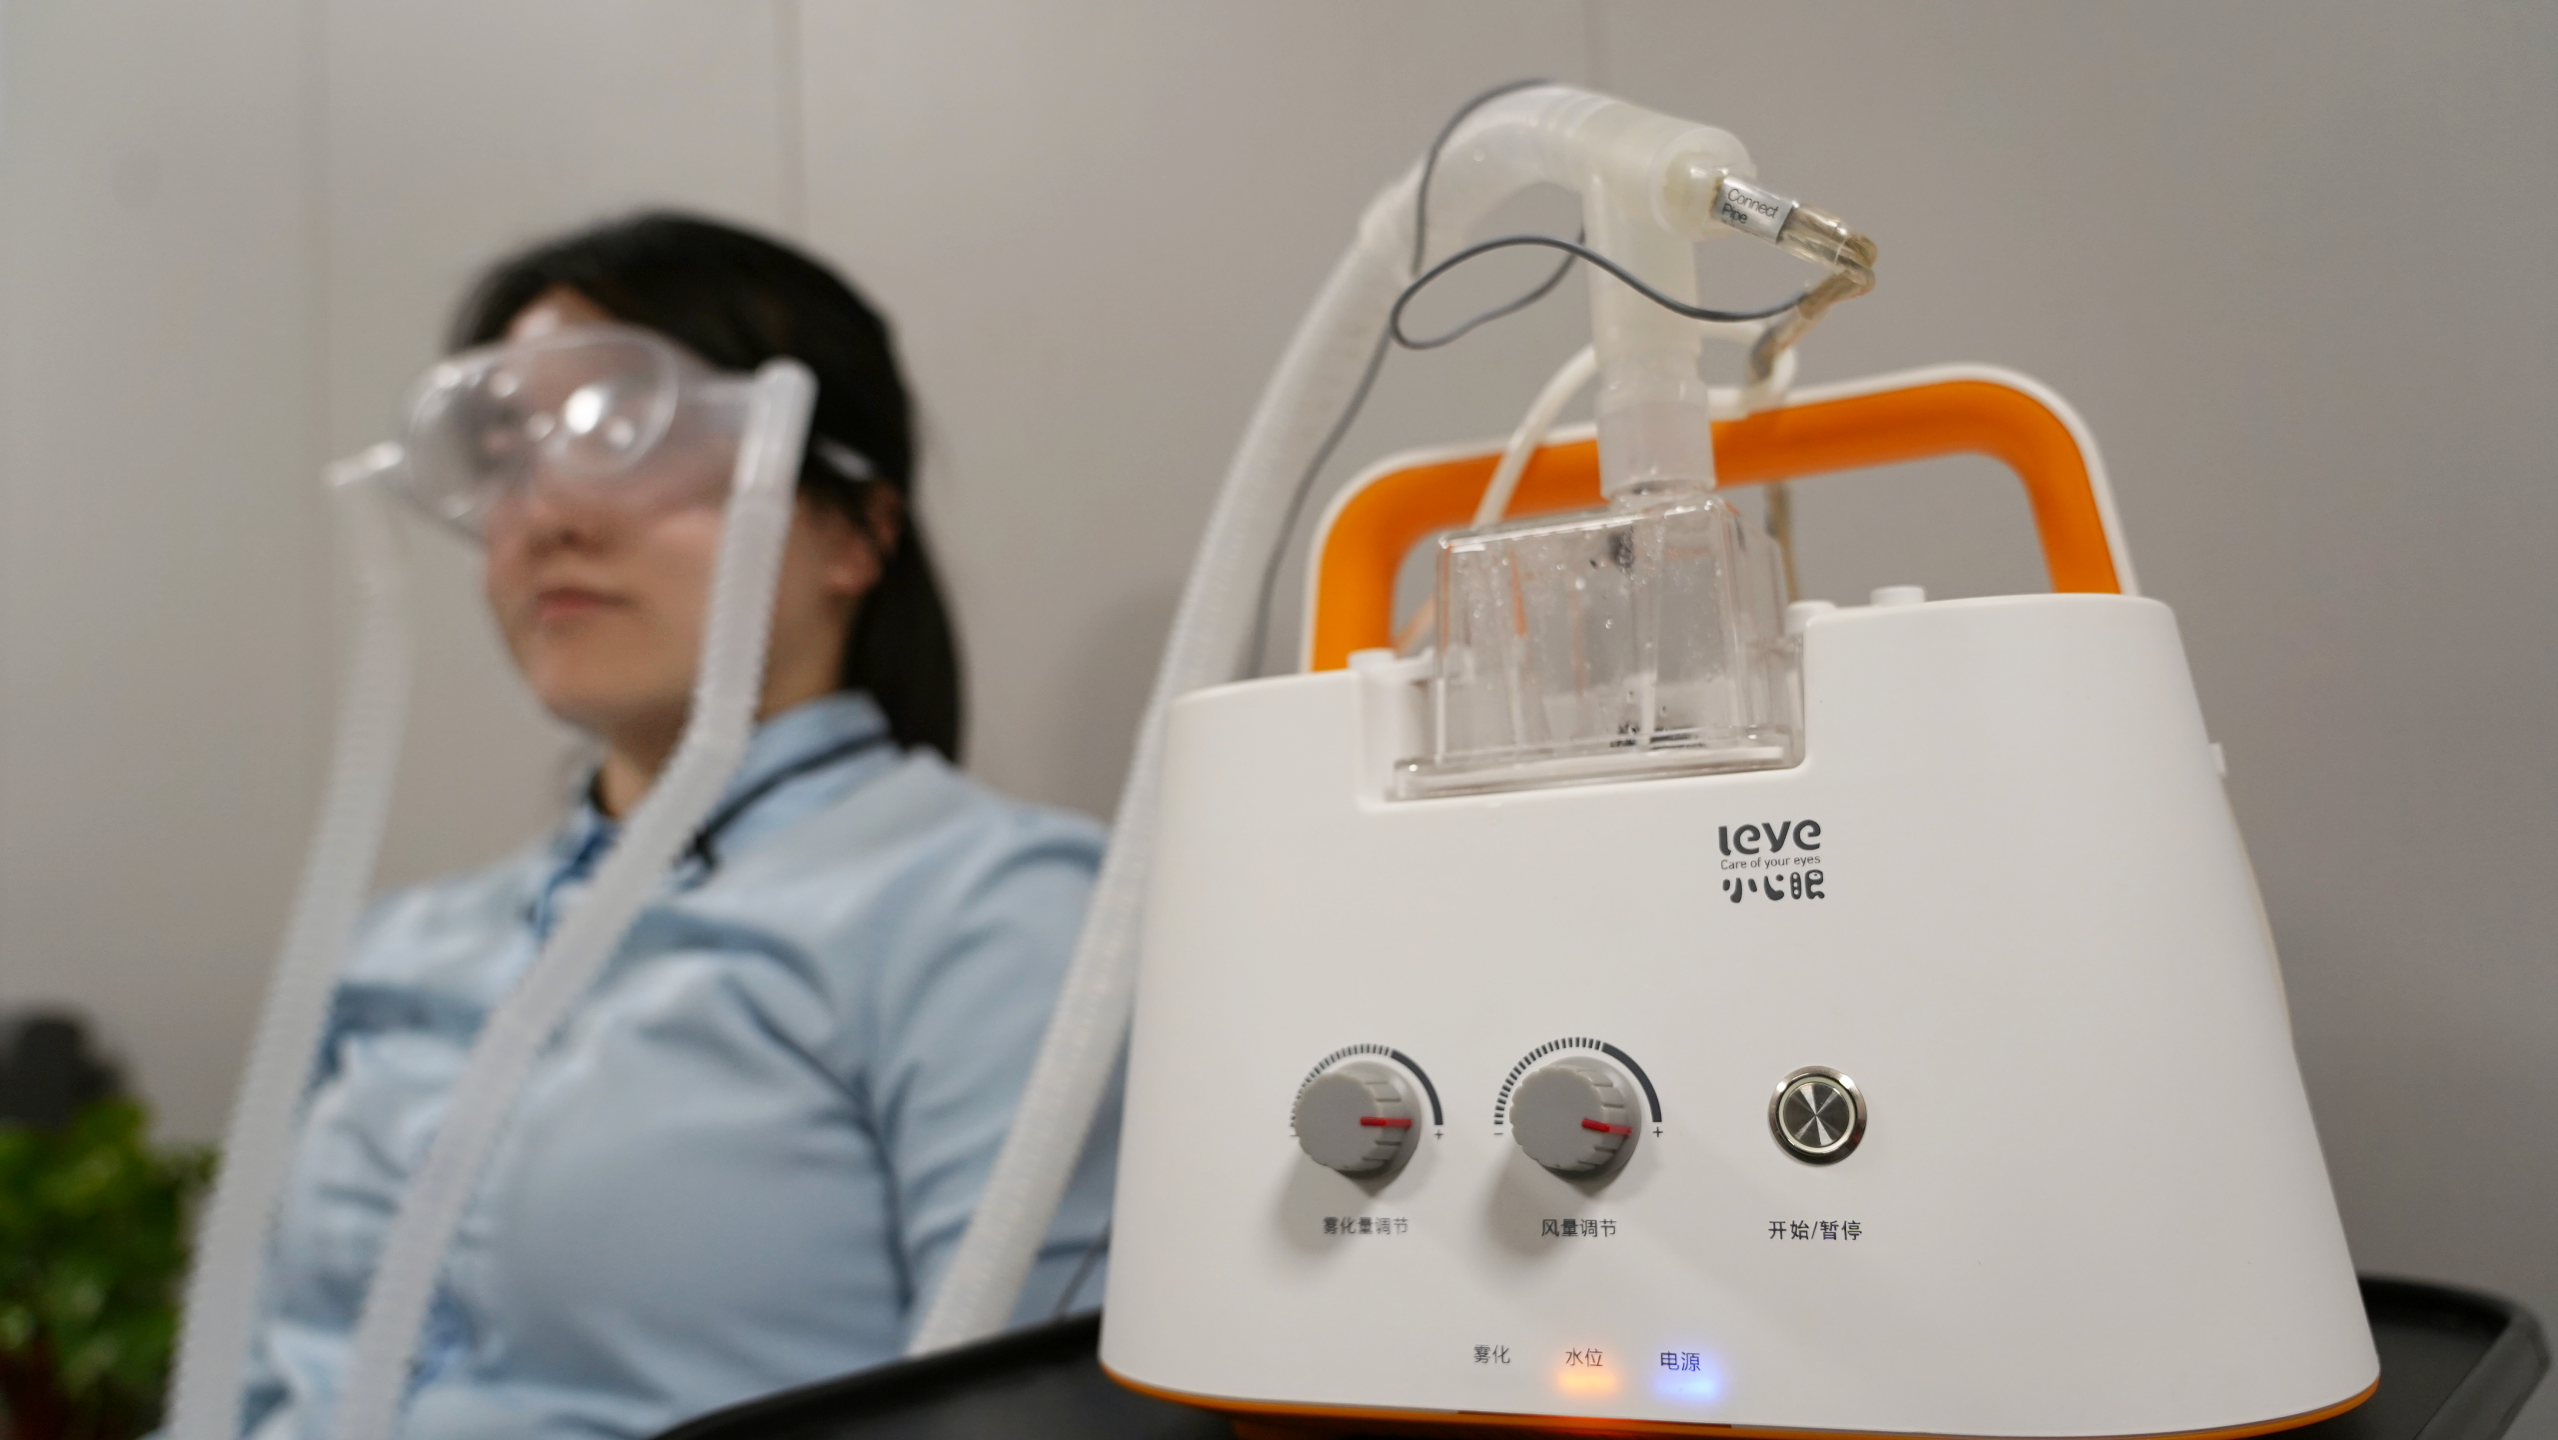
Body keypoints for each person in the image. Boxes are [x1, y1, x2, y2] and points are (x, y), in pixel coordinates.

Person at [238, 213, 1116, 1440]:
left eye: (620, 431)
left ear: (853, 532)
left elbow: (1035, 1418)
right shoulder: (404, 945)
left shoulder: (994, 915)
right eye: (505, 448)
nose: (546, 514)